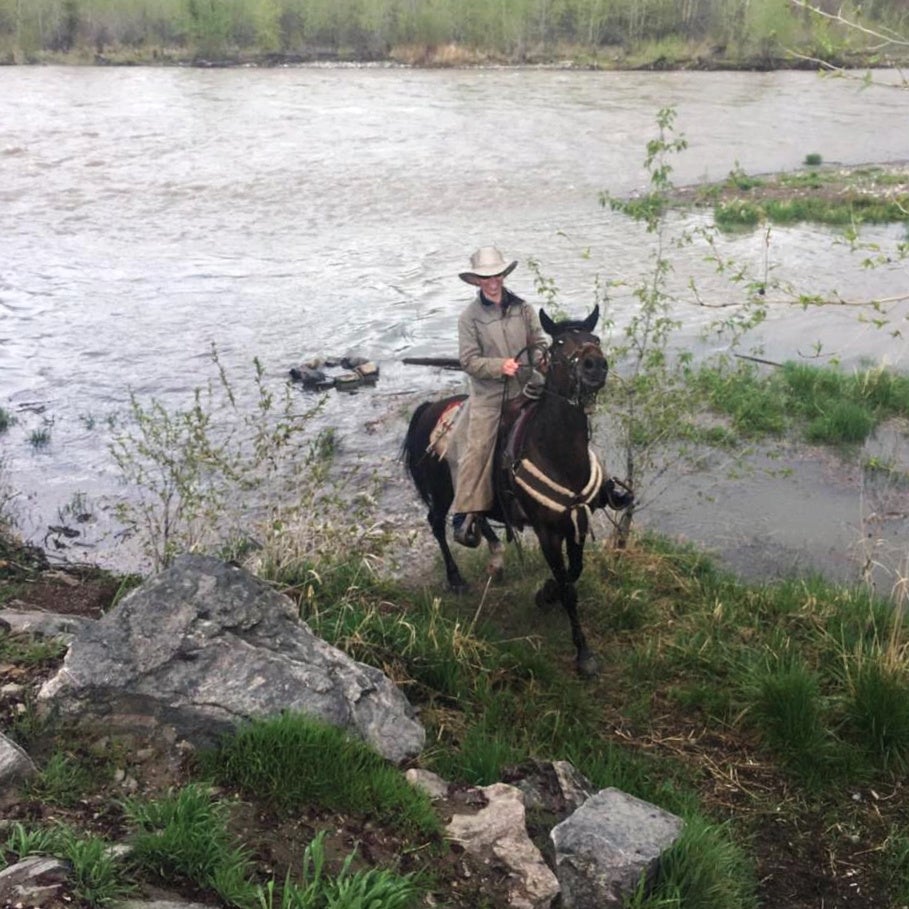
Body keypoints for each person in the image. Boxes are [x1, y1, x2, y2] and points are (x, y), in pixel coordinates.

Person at [451, 246, 547, 547]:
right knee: (476, 446)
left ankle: (604, 485)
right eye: (485, 277)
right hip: (490, 395)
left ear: (503, 275)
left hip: (527, 385)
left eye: (497, 275)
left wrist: (542, 359)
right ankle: (466, 512)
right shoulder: (469, 318)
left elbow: (539, 341)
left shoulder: (524, 308)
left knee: (566, 418)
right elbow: (468, 360)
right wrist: (498, 366)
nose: (493, 281)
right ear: (477, 281)